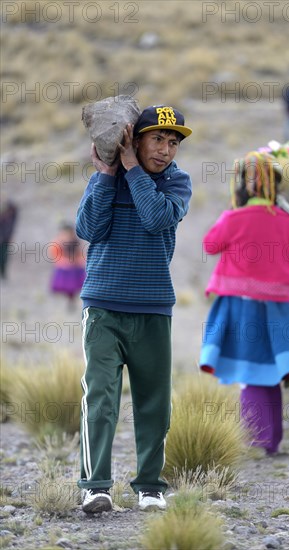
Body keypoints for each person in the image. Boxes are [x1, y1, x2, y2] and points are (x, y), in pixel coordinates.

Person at [76, 105, 192, 513]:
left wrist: (133, 170)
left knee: (153, 402)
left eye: (173, 142)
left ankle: (149, 487)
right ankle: (95, 487)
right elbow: (88, 229)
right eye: (157, 139)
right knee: (100, 398)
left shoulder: (177, 183)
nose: (165, 150)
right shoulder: (104, 179)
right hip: (103, 308)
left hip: (153, 309)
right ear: (134, 138)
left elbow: (156, 217)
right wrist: (108, 175)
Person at [200, 145, 289, 455]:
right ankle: (271, 441)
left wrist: (230, 213)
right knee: (270, 374)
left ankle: (255, 440)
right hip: (280, 310)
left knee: (249, 375)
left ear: (244, 184)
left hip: (242, 307)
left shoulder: (235, 218)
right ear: (276, 185)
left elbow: (210, 245)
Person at [49, 222, 86, 310]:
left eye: (69, 233)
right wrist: (64, 262)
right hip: (64, 270)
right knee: (64, 286)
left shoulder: (75, 242)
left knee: (74, 286)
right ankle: (65, 301)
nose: (67, 236)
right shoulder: (56, 243)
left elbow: (80, 254)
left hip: (75, 269)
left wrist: (80, 261)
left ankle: (71, 300)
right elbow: (55, 256)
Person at [0, 198, 18, 279]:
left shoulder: (11, 217)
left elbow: (15, 210)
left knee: (4, 258)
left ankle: (3, 274)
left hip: (5, 240)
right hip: (3, 239)